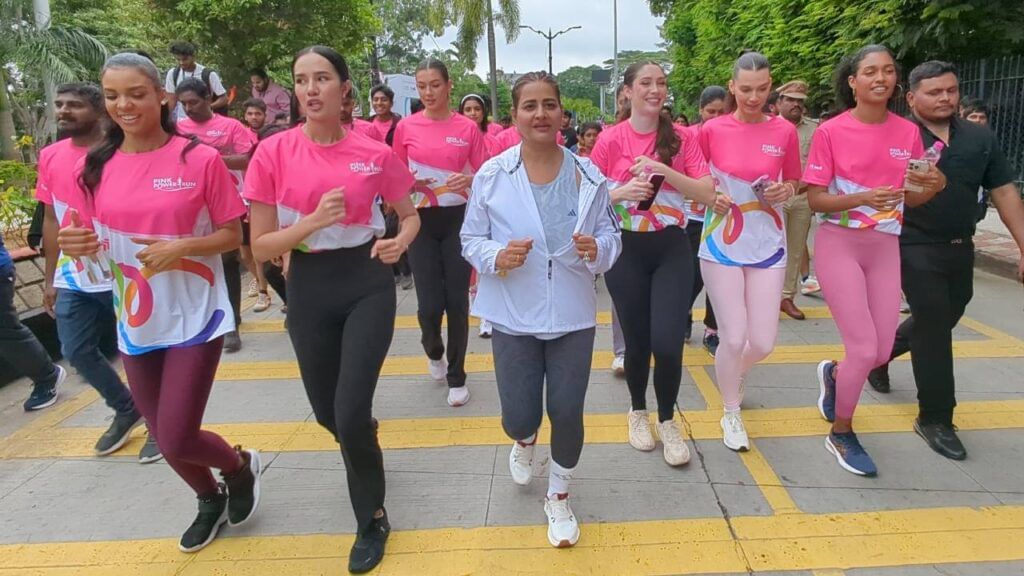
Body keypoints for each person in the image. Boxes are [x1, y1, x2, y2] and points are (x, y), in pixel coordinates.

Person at [60, 52, 261, 553]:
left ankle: (238, 467)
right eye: (112, 96)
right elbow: (83, 233)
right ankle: (207, 496)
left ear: (161, 97)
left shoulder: (198, 158)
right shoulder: (97, 166)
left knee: (174, 435)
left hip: (196, 313)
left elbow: (231, 234)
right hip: (134, 316)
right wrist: (74, 243)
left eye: (136, 93)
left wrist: (183, 247)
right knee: (161, 431)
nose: (123, 105)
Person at [247, 45, 419, 573]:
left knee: (347, 411)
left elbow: (409, 215)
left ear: (344, 88)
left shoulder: (373, 152)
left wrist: (400, 242)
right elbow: (259, 245)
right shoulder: (272, 153)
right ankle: (362, 435)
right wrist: (311, 224)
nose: (311, 89)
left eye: (322, 78)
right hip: (310, 283)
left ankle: (371, 518)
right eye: (301, 80)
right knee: (331, 414)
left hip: (366, 279)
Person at [462, 71, 621, 548]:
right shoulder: (492, 175)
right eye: (529, 106)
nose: (540, 114)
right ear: (514, 115)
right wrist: (496, 257)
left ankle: (559, 495)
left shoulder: (589, 175)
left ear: (561, 114)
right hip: (514, 314)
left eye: (549, 105)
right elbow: (470, 239)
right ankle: (524, 439)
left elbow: (613, 237)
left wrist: (600, 250)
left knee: (568, 412)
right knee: (520, 416)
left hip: (572, 314)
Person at [867, 61, 1024, 461]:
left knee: (948, 311)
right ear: (911, 97)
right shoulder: (894, 135)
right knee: (934, 321)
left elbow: (1004, 192)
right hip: (910, 242)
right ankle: (935, 417)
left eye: (951, 90)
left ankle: (878, 358)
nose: (945, 98)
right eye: (935, 92)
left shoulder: (978, 137)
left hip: (960, 244)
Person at [804, 46, 944, 476]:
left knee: (880, 351)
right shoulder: (831, 131)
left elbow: (915, 196)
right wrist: (862, 197)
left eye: (887, 71)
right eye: (869, 71)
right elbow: (815, 201)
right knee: (864, 348)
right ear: (853, 81)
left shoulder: (908, 132)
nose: (880, 78)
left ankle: (834, 376)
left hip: (884, 245)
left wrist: (933, 186)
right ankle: (842, 432)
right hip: (839, 243)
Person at [591, 61, 716, 466]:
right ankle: (638, 411)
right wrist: (622, 190)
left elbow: (708, 193)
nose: (655, 89)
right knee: (638, 343)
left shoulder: (682, 139)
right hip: (626, 249)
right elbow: (586, 198)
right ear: (627, 91)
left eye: (661, 82)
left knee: (667, 342)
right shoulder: (610, 140)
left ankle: (668, 419)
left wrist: (665, 170)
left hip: (671, 248)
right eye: (645, 82)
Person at [36, 82, 159, 461]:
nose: (63, 111)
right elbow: (53, 218)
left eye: (73, 105)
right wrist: (51, 277)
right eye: (59, 105)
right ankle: (126, 408)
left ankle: (161, 424)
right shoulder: (51, 155)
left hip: (124, 269)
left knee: (143, 349)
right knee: (75, 349)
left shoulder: (121, 152)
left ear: (98, 110)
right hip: (75, 275)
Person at [698, 52, 801, 452]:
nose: (753, 97)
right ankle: (731, 411)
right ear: (732, 86)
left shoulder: (784, 131)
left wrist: (785, 190)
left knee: (763, 343)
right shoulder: (711, 129)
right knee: (734, 335)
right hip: (721, 242)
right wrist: (713, 193)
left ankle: (731, 372)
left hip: (767, 242)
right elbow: (697, 177)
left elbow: (794, 179)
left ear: (770, 86)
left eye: (761, 89)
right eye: (745, 89)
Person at [392, 59, 489, 407]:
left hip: (459, 220)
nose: (428, 92)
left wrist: (472, 179)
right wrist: (409, 184)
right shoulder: (406, 127)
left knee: (457, 301)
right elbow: (394, 175)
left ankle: (457, 376)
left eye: (435, 84)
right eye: (421, 86)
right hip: (419, 222)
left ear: (449, 85)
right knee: (430, 304)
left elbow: (487, 174)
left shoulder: (466, 128)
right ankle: (433, 349)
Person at [175, 78, 258, 348]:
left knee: (229, 260)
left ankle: (232, 324)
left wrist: (210, 158)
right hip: (193, 204)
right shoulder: (177, 129)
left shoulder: (231, 126)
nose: (188, 108)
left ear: (209, 98)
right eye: (183, 103)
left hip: (231, 199)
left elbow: (249, 159)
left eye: (194, 102)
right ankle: (213, 320)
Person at [687, 85, 728, 356]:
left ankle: (712, 330)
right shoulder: (689, 138)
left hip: (724, 218)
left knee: (720, 278)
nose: (715, 117)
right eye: (710, 111)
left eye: (721, 112)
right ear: (701, 111)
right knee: (691, 276)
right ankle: (682, 313)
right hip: (693, 217)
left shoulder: (735, 137)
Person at [775, 80, 819, 321]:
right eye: (790, 100)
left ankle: (786, 297)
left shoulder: (814, 130)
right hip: (773, 199)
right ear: (779, 102)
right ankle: (766, 297)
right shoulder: (768, 127)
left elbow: (818, 166)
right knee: (771, 247)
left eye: (799, 101)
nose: (795, 105)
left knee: (795, 250)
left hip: (801, 198)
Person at [164, 41, 227, 121]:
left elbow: (224, 99)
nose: (181, 63)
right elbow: (171, 99)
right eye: (178, 60)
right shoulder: (173, 74)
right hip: (182, 122)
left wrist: (207, 107)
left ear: (194, 57)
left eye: (185, 59)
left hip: (206, 121)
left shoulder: (208, 74)